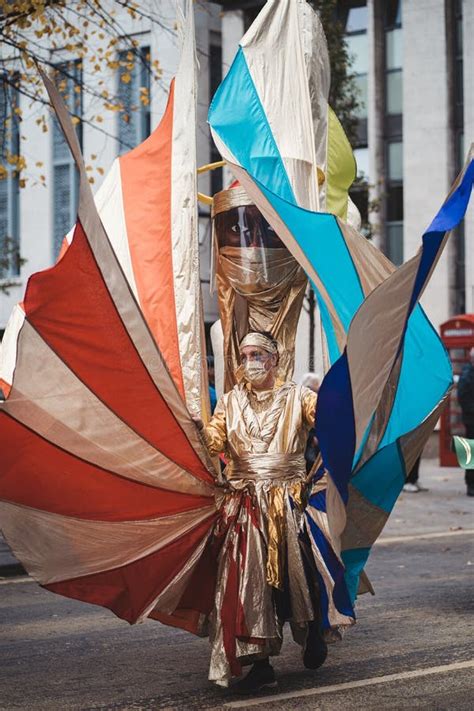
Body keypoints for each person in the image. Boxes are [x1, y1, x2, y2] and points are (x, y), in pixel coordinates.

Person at [198, 331, 349, 692]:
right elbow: (214, 439)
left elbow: (331, 419)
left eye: (258, 354)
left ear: (274, 359)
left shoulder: (298, 397)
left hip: (289, 502)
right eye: (246, 354)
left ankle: (314, 632)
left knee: (300, 574)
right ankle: (260, 662)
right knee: (247, 584)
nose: (250, 361)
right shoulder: (231, 401)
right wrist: (193, 429)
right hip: (245, 505)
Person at [457, 347, 474, 496]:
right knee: (470, 452)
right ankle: (470, 484)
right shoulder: (467, 375)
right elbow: (463, 398)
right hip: (471, 421)